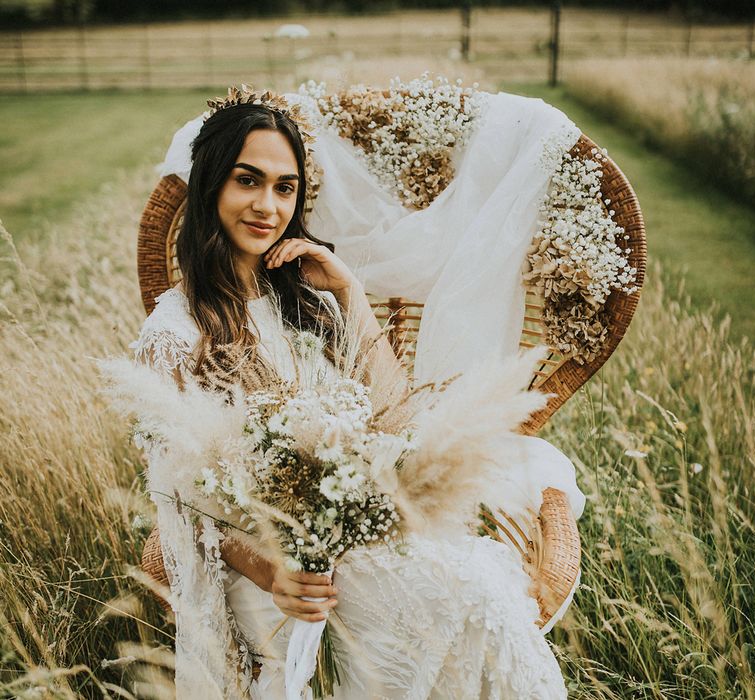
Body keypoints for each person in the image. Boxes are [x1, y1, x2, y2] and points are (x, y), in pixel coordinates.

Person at [132, 94, 585, 699]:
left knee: (470, 591)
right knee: (460, 592)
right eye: (248, 181)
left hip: (354, 531)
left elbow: (394, 413)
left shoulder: (308, 302)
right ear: (212, 183)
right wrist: (275, 572)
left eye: (285, 188)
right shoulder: (174, 334)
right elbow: (182, 502)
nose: (268, 206)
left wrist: (349, 295)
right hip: (268, 563)